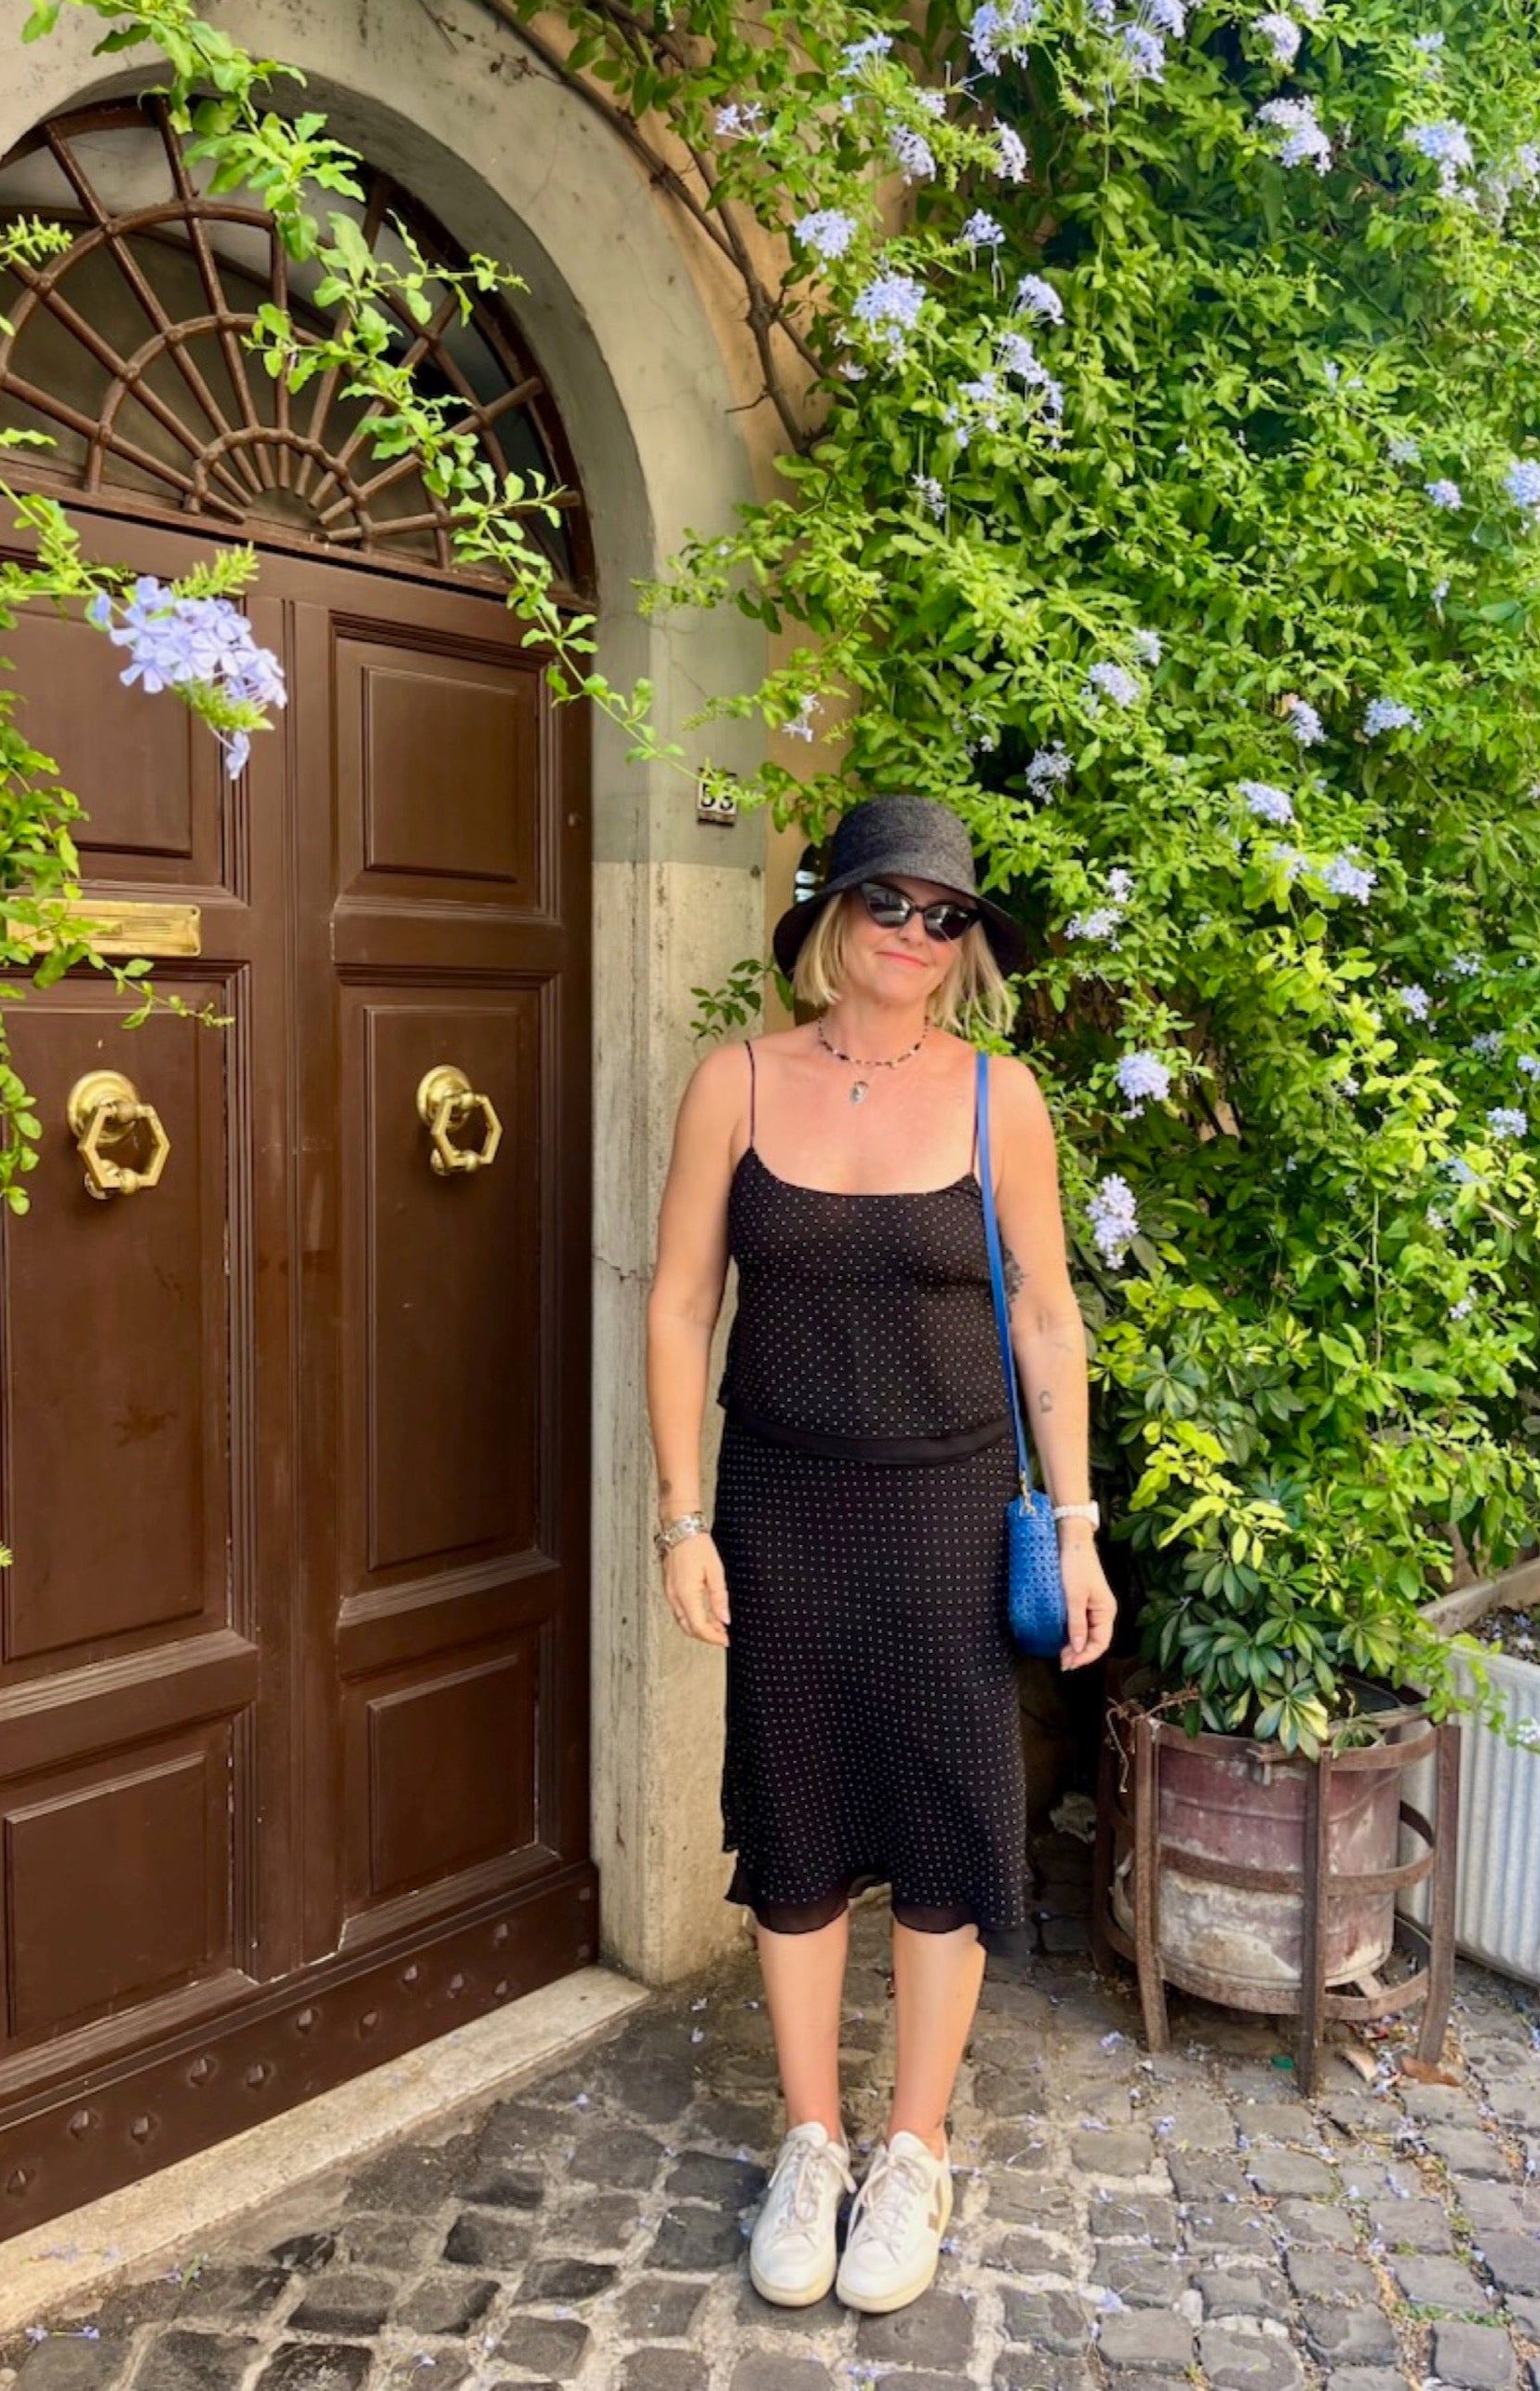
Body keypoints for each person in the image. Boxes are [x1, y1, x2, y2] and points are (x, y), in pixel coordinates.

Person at [645, 793, 1117, 2317]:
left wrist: (1078, 1523)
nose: (916, 933)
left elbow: (1046, 1314)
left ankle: (916, 2146)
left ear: (966, 943)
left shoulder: (1000, 1098)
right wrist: (682, 1517)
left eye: (945, 914)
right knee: (793, 1815)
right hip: (780, 1505)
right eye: (889, 902)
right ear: (831, 918)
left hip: (947, 1509)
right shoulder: (735, 1082)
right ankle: (810, 2137)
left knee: (941, 1818)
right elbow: (679, 1305)